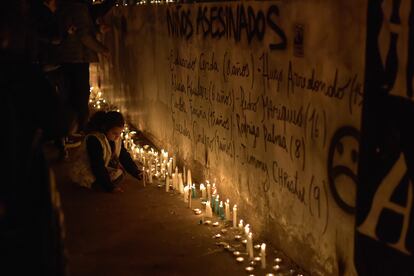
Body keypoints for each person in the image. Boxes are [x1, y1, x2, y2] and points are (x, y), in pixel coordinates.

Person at [69, 111, 142, 192]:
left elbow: (124, 156)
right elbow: (97, 165)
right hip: (87, 169)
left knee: (120, 173)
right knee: (114, 176)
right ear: (105, 128)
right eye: (114, 133)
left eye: (119, 133)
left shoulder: (116, 139)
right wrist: (110, 187)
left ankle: (101, 182)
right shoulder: (94, 140)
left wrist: (136, 172)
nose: (117, 136)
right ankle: (96, 184)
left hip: (100, 167)